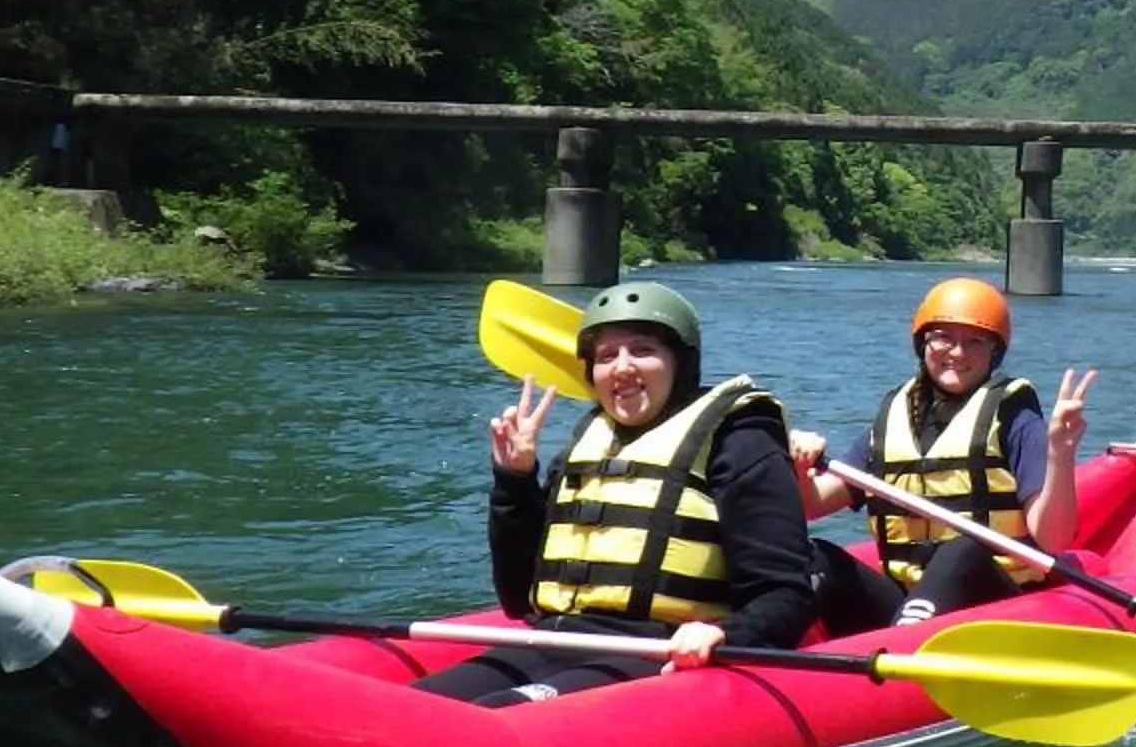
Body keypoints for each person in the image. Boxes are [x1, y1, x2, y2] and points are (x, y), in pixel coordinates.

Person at [415, 278, 816, 705]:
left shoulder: (740, 439)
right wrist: (515, 480)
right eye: (607, 356)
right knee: (415, 708)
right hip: (554, 641)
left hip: (657, 650)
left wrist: (727, 634)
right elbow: (518, 598)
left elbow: (785, 593)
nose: (622, 367)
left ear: (680, 363)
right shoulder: (588, 441)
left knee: (497, 711)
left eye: (642, 350)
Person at [793, 275, 1095, 636]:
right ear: (922, 343)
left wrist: (1061, 452)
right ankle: (768, 646)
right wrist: (799, 466)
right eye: (943, 337)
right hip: (910, 601)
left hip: (997, 605)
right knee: (814, 556)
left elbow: (1053, 541)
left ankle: (901, 645)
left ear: (994, 352)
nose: (957, 352)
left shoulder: (1014, 416)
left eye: (974, 341)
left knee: (963, 549)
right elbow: (812, 505)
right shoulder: (895, 417)